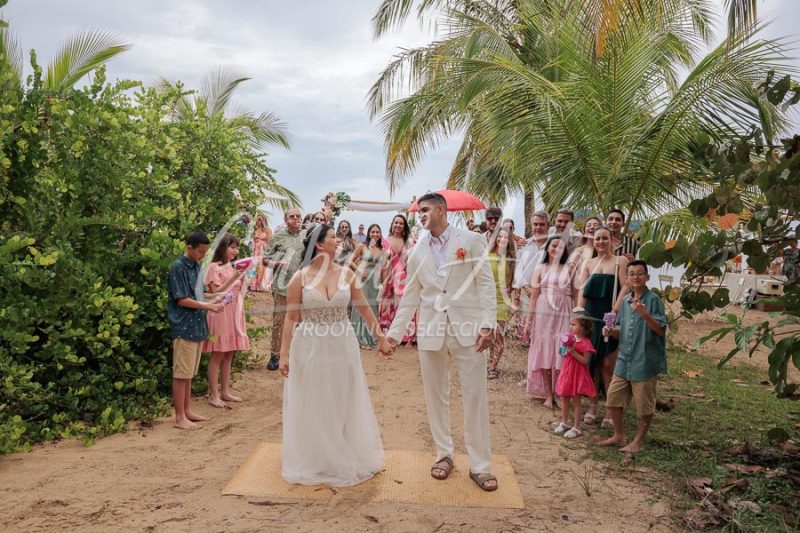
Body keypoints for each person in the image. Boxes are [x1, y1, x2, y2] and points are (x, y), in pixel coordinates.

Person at [386, 192, 499, 492]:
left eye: (424, 210)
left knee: (475, 397)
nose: (419, 215)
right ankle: (444, 454)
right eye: (418, 211)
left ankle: (480, 465)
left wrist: (488, 323)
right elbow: (410, 296)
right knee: (436, 397)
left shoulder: (471, 240)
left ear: (440, 210)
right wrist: (394, 335)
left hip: (470, 330)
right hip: (431, 332)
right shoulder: (417, 250)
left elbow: (485, 283)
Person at [279, 224, 391, 487]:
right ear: (319, 244)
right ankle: (318, 456)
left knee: (342, 395)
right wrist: (283, 354)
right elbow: (290, 317)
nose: (338, 240)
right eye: (332, 237)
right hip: (309, 345)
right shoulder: (300, 278)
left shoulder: (347, 274)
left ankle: (343, 449)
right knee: (313, 397)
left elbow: (363, 307)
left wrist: (381, 337)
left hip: (342, 342)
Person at [599, 260, 667, 453]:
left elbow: (661, 330)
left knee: (644, 404)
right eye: (632, 274)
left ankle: (638, 441)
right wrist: (611, 332)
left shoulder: (653, 300)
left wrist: (644, 314)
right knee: (613, 397)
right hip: (625, 358)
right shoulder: (626, 302)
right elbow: (621, 328)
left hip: (644, 359)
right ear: (626, 278)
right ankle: (619, 436)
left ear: (647, 277)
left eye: (640, 273)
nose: (636, 277)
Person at [167, 231, 223, 429]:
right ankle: (179, 416)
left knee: (189, 373)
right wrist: (209, 306)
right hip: (184, 326)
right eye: (200, 251)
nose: (202, 255)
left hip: (197, 326)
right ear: (189, 247)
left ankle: (188, 410)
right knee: (181, 373)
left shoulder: (196, 266)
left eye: (204, 252)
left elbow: (198, 295)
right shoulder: (178, 267)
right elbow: (182, 299)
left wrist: (215, 297)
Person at [577, 226, 629, 425]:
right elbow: (582, 291)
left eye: (605, 238)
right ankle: (592, 406)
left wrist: (615, 310)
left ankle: (610, 407)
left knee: (608, 364)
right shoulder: (588, 263)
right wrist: (578, 316)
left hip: (609, 316)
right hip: (591, 316)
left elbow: (626, 285)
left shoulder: (620, 261)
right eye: (598, 238)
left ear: (612, 240)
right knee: (592, 363)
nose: (601, 242)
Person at [524, 236, 579, 408]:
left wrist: (577, 316)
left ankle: (560, 393)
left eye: (560, 246)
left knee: (562, 352)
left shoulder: (570, 268)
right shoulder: (540, 268)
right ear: (548, 248)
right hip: (543, 312)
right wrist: (528, 322)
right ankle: (548, 394)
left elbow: (577, 294)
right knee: (545, 354)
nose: (556, 249)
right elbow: (534, 296)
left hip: (564, 310)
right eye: (553, 245)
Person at [203, 233, 249, 408]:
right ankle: (213, 394)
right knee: (219, 352)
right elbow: (214, 292)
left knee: (230, 352)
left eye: (237, 247)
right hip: (220, 311)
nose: (235, 250)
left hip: (235, 309)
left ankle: (225, 391)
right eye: (232, 246)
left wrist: (243, 278)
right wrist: (234, 277)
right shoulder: (214, 267)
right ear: (222, 247)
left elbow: (241, 290)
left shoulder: (233, 266)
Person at [263, 208, 306, 371]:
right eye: (292, 216)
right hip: (281, 287)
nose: (295, 219)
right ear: (285, 219)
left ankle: (299, 354)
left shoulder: (306, 236)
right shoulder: (278, 236)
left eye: (298, 216)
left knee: (302, 321)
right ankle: (275, 355)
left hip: (302, 286)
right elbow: (265, 260)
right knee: (279, 322)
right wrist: (277, 264)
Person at [554, 312, 596, 439]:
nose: (570, 327)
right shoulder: (570, 339)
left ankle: (577, 427)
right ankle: (564, 422)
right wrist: (563, 349)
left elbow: (586, 361)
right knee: (564, 398)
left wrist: (573, 352)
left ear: (583, 327)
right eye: (570, 324)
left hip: (577, 374)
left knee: (576, 401)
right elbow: (563, 354)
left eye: (574, 324)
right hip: (567, 372)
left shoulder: (586, 343)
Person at [378, 214, 415, 344]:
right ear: (392, 224)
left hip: (404, 278)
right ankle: (387, 334)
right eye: (396, 223)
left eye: (401, 223)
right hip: (388, 277)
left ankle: (405, 336)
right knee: (387, 307)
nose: (398, 225)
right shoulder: (384, 241)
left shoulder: (409, 242)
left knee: (403, 306)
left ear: (404, 226)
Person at [349, 224, 387, 349]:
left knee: (372, 307)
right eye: (373, 232)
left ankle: (372, 337)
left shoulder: (382, 250)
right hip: (362, 279)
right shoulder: (362, 246)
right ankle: (360, 338)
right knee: (361, 306)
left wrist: (382, 282)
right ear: (369, 233)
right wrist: (360, 271)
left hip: (374, 281)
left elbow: (383, 268)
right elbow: (350, 261)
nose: (375, 234)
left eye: (377, 232)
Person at [486, 227, 516, 379]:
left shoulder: (511, 260)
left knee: (499, 336)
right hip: (486, 300)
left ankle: (492, 366)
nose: (502, 240)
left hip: (502, 301)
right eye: (499, 237)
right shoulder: (487, 255)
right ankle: (486, 363)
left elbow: (513, 284)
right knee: (487, 333)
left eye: (505, 237)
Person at [512, 212, 550, 327]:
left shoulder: (553, 245)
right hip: (526, 296)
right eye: (535, 224)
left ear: (548, 225)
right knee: (526, 331)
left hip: (547, 296)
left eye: (541, 224)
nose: (538, 227)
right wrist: (527, 288)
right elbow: (517, 270)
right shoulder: (525, 245)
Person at [250, 212, 273, 292]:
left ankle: (261, 285)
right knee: (254, 266)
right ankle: (253, 285)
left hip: (263, 250)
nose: (258, 221)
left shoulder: (268, 230)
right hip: (255, 250)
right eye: (257, 219)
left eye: (260, 219)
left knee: (262, 266)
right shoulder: (254, 230)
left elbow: (270, 242)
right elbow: (252, 240)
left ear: (263, 220)